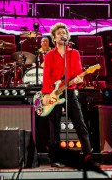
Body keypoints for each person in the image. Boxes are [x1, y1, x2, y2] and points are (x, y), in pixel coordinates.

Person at [40, 22, 95, 168]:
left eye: (63, 33)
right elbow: (46, 76)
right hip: (54, 93)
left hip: (69, 92)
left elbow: (78, 73)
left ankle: (88, 154)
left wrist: (79, 79)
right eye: (58, 33)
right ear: (54, 38)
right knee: (55, 127)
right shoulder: (50, 55)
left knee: (80, 123)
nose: (61, 35)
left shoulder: (74, 53)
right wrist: (46, 94)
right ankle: (55, 158)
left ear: (67, 36)